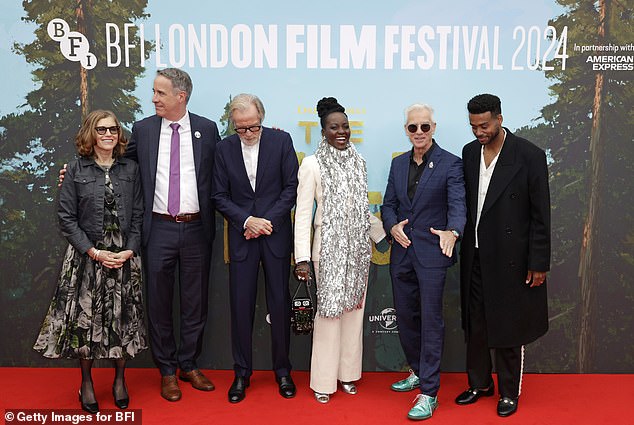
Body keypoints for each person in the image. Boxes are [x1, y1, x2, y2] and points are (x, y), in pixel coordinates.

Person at [34, 110, 147, 414]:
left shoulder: (131, 169)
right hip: (88, 258)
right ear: (90, 134)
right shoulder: (75, 169)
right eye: (101, 130)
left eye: (113, 129)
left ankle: (120, 380)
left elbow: (138, 215)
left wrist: (130, 250)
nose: (108, 134)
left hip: (123, 258)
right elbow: (66, 218)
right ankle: (86, 382)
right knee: (87, 323)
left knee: (120, 319)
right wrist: (93, 252)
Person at [126, 68, 221, 401]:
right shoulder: (144, 129)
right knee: (159, 303)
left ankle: (188, 364)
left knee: (195, 303)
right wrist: (78, 168)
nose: (153, 99)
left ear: (181, 96)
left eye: (160, 93)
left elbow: (224, 172)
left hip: (197, 229)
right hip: (159, 228)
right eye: (154, 92)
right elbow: (120, 166)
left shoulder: (208, 130)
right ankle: (166, 370)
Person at [455, 94, 550, 417]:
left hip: (512, 256)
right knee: (476, 322)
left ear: (499, 118)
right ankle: (479, 383)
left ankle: (509, 392)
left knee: (509, 325)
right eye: (473, 126)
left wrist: (539, 262)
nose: (479, 132)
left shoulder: (528, 155)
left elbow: (541, 214)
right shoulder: (469, 154)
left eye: (484, 125)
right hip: (476, 254)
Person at [294, 97, 387, 404]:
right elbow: (303, 213)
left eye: (345, 126)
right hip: (328, 251)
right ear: (323, 131)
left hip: (358, 251)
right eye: (334, 127)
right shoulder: (312, 164)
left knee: (354, 315)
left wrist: (381, 236)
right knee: (329, 316)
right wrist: (303, 258)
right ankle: (323, 381)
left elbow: (361, 208)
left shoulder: (359, 162)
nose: (341, 131)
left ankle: (347, 375)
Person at [381, 104, 466, 420]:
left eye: (424, 127)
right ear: (406, 130)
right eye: (412, 127)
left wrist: (453, 231)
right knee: (405, 316)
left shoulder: (451, 164)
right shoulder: (398, 164)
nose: (419, 133)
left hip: (433, 253)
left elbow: (458, 205)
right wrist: (391, 226)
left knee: (430, 320)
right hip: (401, 252)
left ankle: (429, 392)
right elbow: (388, 204)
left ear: (434, 128)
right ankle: (417, 370)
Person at [212, 93, 299, 403]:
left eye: (253, 127)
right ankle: (241, 373)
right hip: (242, 238)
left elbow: (291, 187)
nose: (247, 134)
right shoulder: (223, 149)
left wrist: (265, 222)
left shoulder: (281, 142)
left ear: (262, 120)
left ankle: (283, 371)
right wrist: (247, 221)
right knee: (241, 307)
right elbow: (219, 195)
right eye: (241, 128)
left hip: (274, 237)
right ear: (233, 125)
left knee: (280, 305)